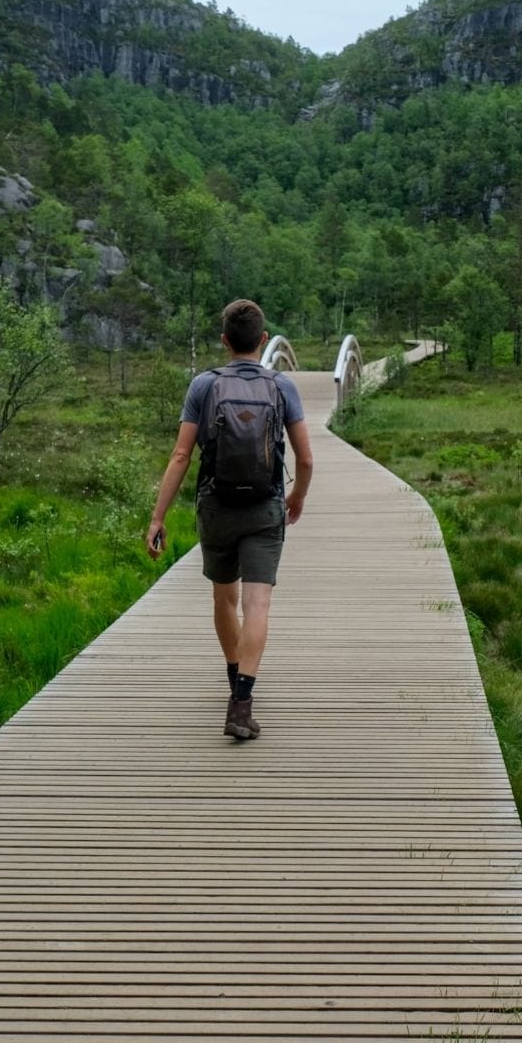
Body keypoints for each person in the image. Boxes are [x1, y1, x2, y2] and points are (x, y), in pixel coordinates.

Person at [146, 299, 313, 741]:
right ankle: (242, 703)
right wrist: (296, 496)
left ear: (224, 341)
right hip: (264, 507)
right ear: (262, 340)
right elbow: (307, 459)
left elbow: (182, 454)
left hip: (217, 508)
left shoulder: (204, 385)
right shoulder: (282, 387)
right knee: (258, 603)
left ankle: (234, 675)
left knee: (225, 598)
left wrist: (158, 517)